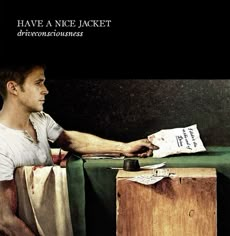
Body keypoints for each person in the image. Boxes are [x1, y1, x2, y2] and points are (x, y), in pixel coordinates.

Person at [0, 64, 158, 235]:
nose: (45, 90)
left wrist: (124, 147)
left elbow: (69, 140)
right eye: (38, 83)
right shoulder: (2, 144)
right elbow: (5, 221)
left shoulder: (40, 119)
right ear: (13, 88)